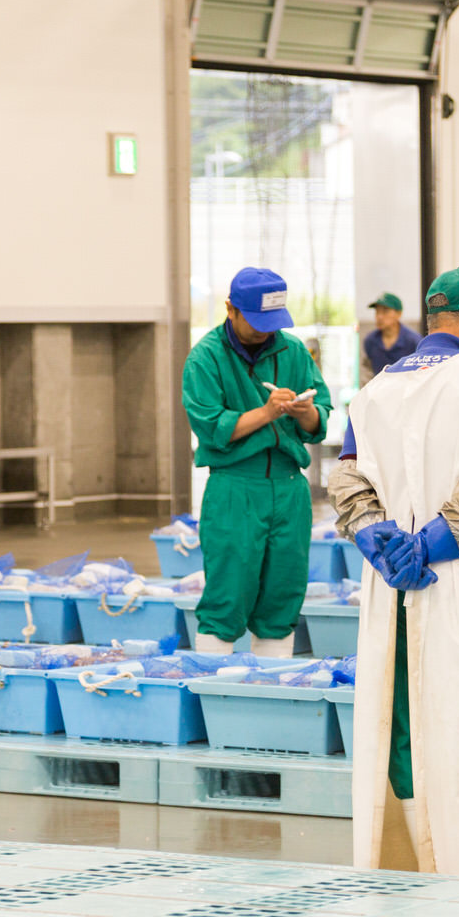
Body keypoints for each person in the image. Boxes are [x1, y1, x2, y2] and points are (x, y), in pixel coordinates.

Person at [328, 266, 459, 880]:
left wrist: (379, 542)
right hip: (458, 579)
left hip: (387, 585)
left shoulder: (374, 391)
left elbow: (346, 477)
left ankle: (405, 864)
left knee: (397, 718)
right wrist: (430, 545)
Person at [182, 267, 332, 657]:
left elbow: (321, 420)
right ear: (231, 309)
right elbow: (212, 426)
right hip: (235, 487)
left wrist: (303, 412)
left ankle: (272, 692)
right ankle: (217, 694)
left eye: (274, 322)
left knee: (283, 592)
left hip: (288, 488)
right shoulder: (206, 358)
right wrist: (267, 412)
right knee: (228, 592)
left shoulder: (293, 350)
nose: (266, 331)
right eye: (256, 321)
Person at [358, 292, 421, 385]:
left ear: (399, 314)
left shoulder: (414, 341)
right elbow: (367, 372)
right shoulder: (370, 341)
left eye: (385, 311)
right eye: (377, 311)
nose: (379, 316)